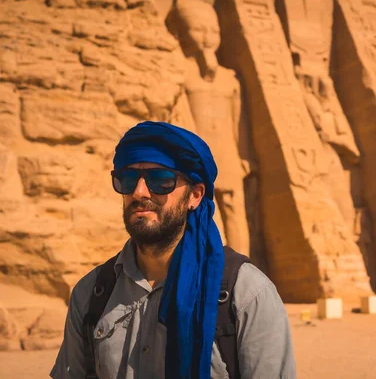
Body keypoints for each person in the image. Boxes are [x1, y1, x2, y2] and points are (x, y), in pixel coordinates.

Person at [50, 121, 296, 378]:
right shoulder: (91, 294)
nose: (139, 192)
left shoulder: (246, 295)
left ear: (195, 195)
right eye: (128, 179)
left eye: (161, 180)